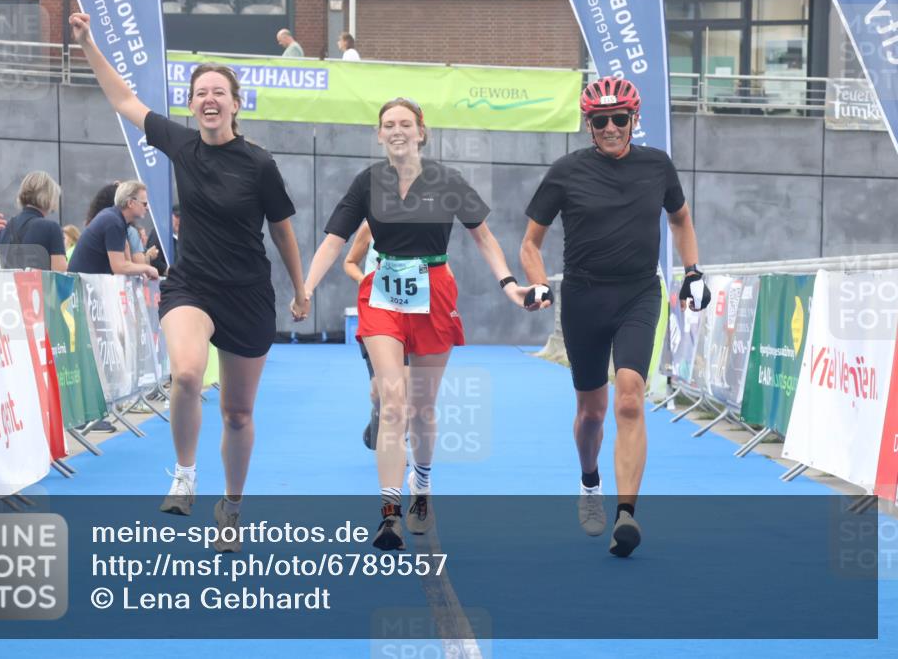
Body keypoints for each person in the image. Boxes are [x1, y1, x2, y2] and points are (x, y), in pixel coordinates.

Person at [71, 13, 309, 552]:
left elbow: (283, 232)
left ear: (235, 103)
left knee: (238, 412)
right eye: (200, 91)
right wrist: (87, 43)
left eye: (218, 92)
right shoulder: (181, 145)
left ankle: (232, 506)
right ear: (192, 103)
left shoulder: (259, 164)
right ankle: (183, 473)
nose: (208, 99)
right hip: (193, 286)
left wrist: (300, 289)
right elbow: (125, 102)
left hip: (248, 293)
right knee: (185, 374)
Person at [297, 98, 537, 551]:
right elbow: (334, 241)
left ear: (421, 131)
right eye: (389, 124)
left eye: (406, 123)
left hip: (434, 290)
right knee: (392, 400)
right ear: (379, 133)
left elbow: (483, 238)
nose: (397, 130)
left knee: (422, 409)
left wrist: (509, 285)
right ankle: (389, 512)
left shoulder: (448, 180)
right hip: (384, 292)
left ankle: (421, 486)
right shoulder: (367, 182)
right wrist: (306, 288)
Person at [520, 76, 711, 558]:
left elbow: (681, 219)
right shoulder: (566, 172)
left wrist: (692, 272)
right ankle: (590, 481)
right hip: (583, 298)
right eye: (600, 120)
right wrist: (540, 281)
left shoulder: (657, 166)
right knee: (591, 412)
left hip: (638, 294)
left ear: (633, 120)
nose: (609, 127)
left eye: (618, 119)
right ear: (589, 124)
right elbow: (530, 243)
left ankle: (626, 514)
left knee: (629, 398)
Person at [342, 220, 409, 450]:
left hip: (410, 312)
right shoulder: (370, 225)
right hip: (375, 311)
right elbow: (349, 262)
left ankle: (399, 444)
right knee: (379, 389)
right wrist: (366, 282)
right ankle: (378, 416)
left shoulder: (423, 225)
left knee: (406, 385)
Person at [67, 180, 159, 279]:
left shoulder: (115, 218)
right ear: (131, 203)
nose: (147, 208)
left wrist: (140, 270)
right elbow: (119, 268)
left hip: (84, 283)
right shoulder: (113, 222)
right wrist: (147, 269)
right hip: (82, 286)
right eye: (144, 204)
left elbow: (126, 261)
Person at [0, 170, 67, 272]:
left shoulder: (4, 228)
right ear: (50, 197)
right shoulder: (51, 228)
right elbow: (60, 272)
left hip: (10, 287)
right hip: (39, 287)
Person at [147, 204, 179, 277]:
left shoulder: (180, 237)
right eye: (177, 217)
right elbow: (153, 260)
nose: (179, 221)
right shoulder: (158, 233)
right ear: (169, 217)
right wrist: (169, 270)